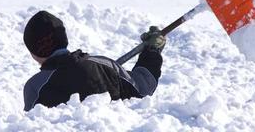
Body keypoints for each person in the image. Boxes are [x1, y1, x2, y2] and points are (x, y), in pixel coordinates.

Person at [23, 10, 166, 111]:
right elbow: (143, 88)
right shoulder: (105, 65)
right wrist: (152, 51)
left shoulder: (35, 87)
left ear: (34, 52)